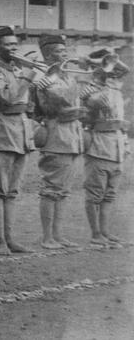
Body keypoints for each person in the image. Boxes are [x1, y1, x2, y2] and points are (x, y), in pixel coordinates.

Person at [0, 26, 39, 255]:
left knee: (13, 190)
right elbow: (7, 97)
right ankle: (0, 242)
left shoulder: (18, 70)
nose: (14, 48)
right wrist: (27, 74)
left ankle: (11, 238)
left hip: (21, 130)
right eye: (8, 45)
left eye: (16, 45)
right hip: (2, 130)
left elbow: (27, 99)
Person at [32, 34, 85, 249]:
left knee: (63, 191)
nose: (65, 56)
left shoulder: (66, 77)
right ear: (47, 55)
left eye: (65, 51)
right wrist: (80, 78)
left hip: (71, 137)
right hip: (56, 137)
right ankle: (47, 237)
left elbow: (72, 103)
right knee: (51, 189)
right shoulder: (45, 78)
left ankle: (58, 234)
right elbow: (62, 99)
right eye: (59, 52)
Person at [80, 50, 130, 247]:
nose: (111, 71)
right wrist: (99, 69)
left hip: (117, 144)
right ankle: (95, 233)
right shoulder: (88, 88)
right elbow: (96, 103)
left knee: (110, 194)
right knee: (95, 193)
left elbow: (124, 69)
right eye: (106, 65)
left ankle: (105, 231)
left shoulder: (115, 85)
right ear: (95, 69)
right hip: (99, 144)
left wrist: (108, 61)